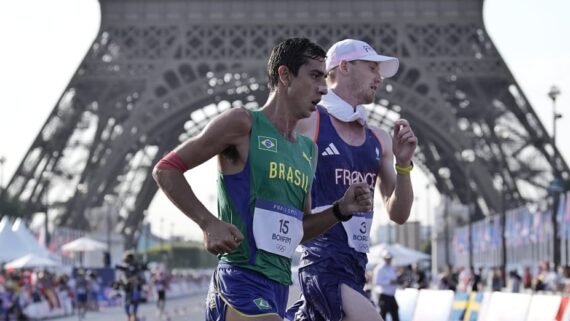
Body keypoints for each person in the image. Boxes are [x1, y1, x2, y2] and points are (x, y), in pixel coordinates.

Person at [152, 37, 373, 321]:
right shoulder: (243, 123)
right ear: (284, 75)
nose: (323, 87)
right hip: (240, 280)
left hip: (279, 287)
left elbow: (299, 228)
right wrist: (208, 222)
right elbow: (166, 168)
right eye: (315, 76)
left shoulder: (308, 150)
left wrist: (339, 210)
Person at [285, 38, 416, 321]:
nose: (379, 77)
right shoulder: (310, 121)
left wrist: (403, 164)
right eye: (372, 68)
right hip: (322, 263)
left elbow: (399, 213)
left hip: (356, 268)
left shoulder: (379, 139)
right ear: (344, 66)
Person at [114, 252, 146, 321]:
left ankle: (133, 316)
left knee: (135, 304)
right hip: (127, 289)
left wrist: (137, 280)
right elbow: (121, 279)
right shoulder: (123, 268)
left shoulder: (137, 267)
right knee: (127, 305)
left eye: (130, 258)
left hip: (135, 288)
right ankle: (130, 317)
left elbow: (141, 278)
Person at [373, 253, 400, 321]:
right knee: (383, 316)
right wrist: (389, 282)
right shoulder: (379, 269)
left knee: (395, 314)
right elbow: (376, 282)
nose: (389, 260)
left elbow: (394, 279)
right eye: (387, 258)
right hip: (384, 296)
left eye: (390, 258)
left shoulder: (391, 268)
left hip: (391, 295)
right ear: (384, 258)